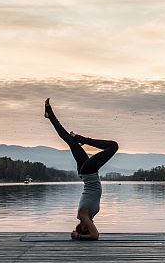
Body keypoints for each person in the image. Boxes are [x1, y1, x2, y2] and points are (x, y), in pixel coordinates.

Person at [44, 98, 118, 240]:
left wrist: (78, 236)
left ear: (81, 227)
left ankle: (83, 139)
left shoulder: (83, 215)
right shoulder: (89, 216)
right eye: (87, 227)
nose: (87, 225)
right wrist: (82, 234)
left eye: (84, 227)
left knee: (113, 146)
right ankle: (50, 115)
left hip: (88, 173)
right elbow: (94, 234)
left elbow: (94, 236)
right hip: (87, 173)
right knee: (70, 141)